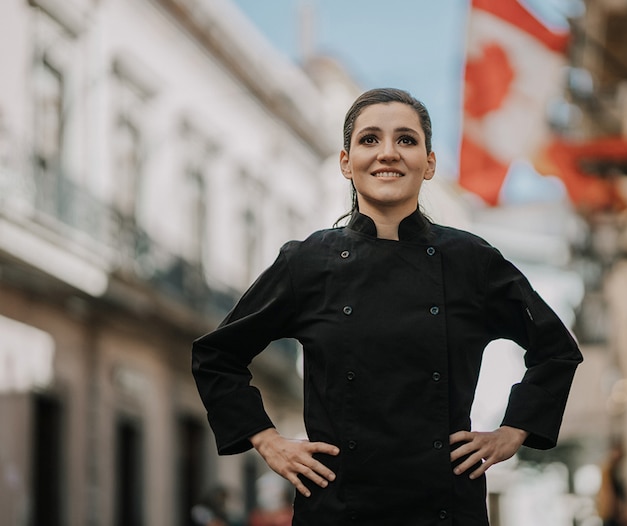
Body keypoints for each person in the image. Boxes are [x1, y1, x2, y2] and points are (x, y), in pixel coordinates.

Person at [192, 88, 583, 526]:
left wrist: (512, 433)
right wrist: (266, 440)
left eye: (407, 140)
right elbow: (217, 355)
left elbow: (556, 350)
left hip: (446, 506)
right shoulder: (308, 261)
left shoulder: (471, 261)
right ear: (346, 162)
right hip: (338, 508)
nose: (388, 154)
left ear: (429, 163)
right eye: (370, 139)